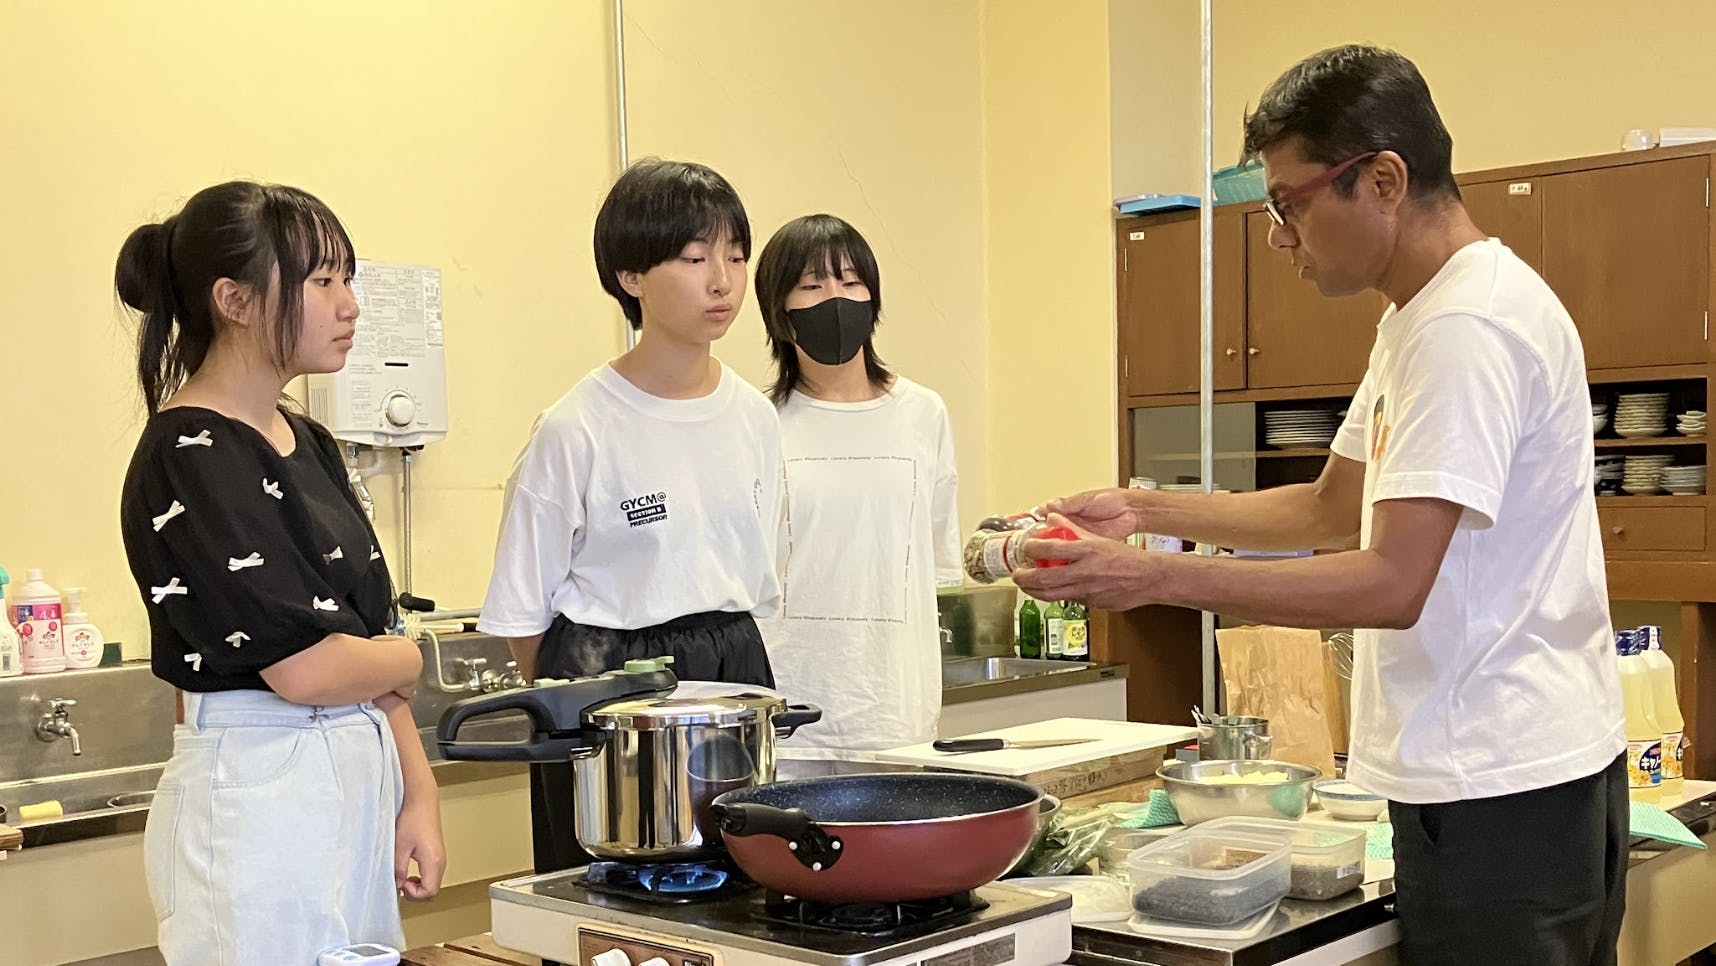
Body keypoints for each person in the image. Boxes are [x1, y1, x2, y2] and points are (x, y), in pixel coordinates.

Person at [1017, 46, 1625, 966]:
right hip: (1499, 781)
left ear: (1383, 181)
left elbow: (1390, 583)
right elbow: (1329, 507)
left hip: (1500, 790)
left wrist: (1147, 578)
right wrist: (1142, 510)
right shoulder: (1418, 315)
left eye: (1288, 204)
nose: (1278, 237)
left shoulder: (1465, 328)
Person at [116, 181, 444, 965]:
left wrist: (419, 793)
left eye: (347, 279)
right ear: (232, 299)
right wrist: (407, 659)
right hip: (259, 789)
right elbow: (308, 669)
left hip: (355, 769)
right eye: (323, 281)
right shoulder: (189, 453)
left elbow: (367, 635)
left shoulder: (309, 441)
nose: (350, 305)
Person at [476, 159, 783, 883]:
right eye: (695, 258)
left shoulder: (753, 416)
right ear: (630, 275)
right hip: (607, 681)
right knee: (607, 896)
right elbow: (523, 611)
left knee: (745, 893)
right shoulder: (575, 426)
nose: (723, 281)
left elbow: (755, 568)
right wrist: (587, 707)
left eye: (736, 257)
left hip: (732, 669)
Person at [752, 214, 961, 769]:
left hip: (895, 714)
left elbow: (934, 561)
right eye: (812, 286)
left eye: (851, 281)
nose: (836, 299)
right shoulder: (756, 424)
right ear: (778, 310)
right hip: (789, 715)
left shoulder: (922, 413)